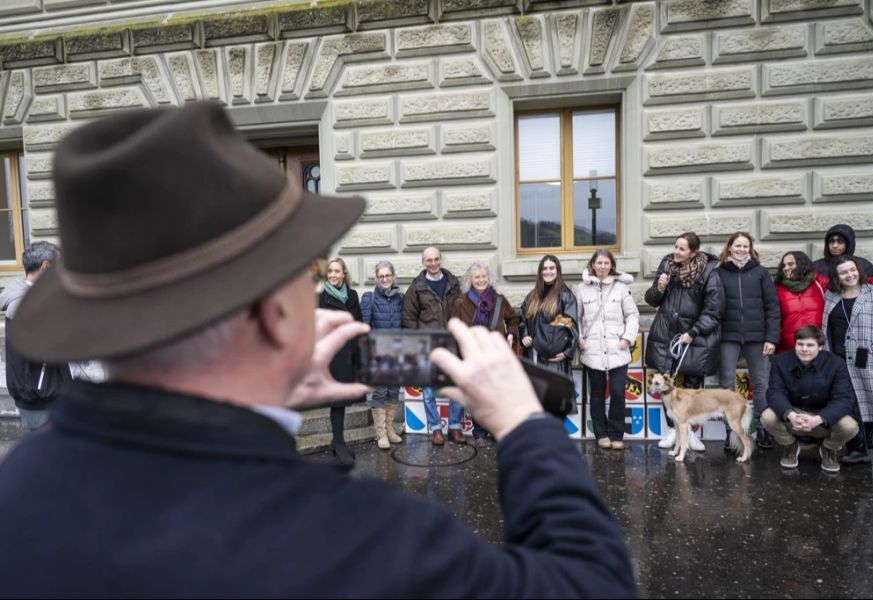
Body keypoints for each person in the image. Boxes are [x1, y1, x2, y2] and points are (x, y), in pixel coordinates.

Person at [0, 103, 637, 597]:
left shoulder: (18, 491)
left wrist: (259, 389)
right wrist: (525, 427)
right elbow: (594, 583)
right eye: (302, 280)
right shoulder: (364, 539)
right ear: (275, 315)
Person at [645, 231, 724, 452]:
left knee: (692, 385)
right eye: (675, 247)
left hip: (694, 337)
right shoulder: (667, 265)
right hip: (667, 332)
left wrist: (694, 331)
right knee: (667, 384)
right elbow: (652, 300)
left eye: (682, 249)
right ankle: (673, 429)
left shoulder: (709, 271)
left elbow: (714, 309)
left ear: (694, 252)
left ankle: (690, 433)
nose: (676, 252)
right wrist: (660, 287)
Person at [822, 255, 873, 463]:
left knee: (865, 402)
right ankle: (859, 447)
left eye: (852, 270)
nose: (849, 275)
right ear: (837, 276)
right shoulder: (831, 295)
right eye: (843, 272)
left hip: (867, 359)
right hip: (838, 359)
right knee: (850, 403)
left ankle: (861, 448)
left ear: (859, 270)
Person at [761, 325, 859, 473]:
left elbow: (844, 399)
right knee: (767, 417)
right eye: (800, 344)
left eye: (810, 345)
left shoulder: (836, 364)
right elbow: (775, 393)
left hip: (823, 418)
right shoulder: (780, 361)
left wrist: (819, 419)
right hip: (794, 417)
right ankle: (790, 446)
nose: (804, 349)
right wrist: (791, 415)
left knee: (850, 426)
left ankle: (829, 449)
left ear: (820, 347)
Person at [714, 232, 780, 449]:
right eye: (737, 245)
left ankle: (762, 430)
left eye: (745, 246)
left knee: (760, 383)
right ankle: (731, 433)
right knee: (727, 385)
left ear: (750, 249)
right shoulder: (720, 272)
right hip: (728, 336)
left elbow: (772, 307)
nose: (741, 249)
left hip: (757, 336)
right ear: (730, 248)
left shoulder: (760, 273)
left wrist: (771, 337)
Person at [0, 241, 72, 432]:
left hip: (41, 392)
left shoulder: (34, 297)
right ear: (46, 266)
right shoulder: (26, 304)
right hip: (40, 396)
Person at [450, 261, 519, 447]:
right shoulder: (460, 302)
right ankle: (479, 433)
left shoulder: (499, 299)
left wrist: (512, 334)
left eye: (483, 277)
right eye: (476, 277)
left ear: (489, 278)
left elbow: (513, 319)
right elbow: (454, 328)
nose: (481, 280)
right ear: (470, 280)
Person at [575, 249, 639, 450]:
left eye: (606, 263)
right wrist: (579, 337)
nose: (602, 266)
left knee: (618, 393)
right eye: (599, 263)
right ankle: (601, 434)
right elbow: (576, 317)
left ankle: (616, 434)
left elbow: (632, 315)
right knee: (597, 394)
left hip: (618, 350)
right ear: (592, 264)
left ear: (611, 265)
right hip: (592, 350)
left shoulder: (621, 288)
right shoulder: (581, 288)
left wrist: (628, 338)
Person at [401, 246, 464, 446]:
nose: (434, 263)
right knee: (428, 391)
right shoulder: (416, 288)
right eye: (429, 260)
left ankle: (454, 427)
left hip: (452, 345)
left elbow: (462, 311)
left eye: (436, 259)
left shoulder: (454, 284)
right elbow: (409, 319)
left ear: (441, 259)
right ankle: (436, 428)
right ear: (423, 262)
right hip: (428, 347)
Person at [318, 256, 365, 467]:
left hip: (349, 354)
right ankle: (339, 444)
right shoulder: (320, 296)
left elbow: (359, 324)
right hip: (332, 354)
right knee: (337, 401)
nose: (334, 275)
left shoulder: (353, 295)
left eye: (337, 271)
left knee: (343, 400)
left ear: (344, 274)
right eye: (330, 272)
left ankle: (336, 441)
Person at [360, 260, 404, 450]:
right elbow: (364, 328)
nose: (385, 279)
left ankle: (390, 429)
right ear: (377, 279)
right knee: (380, 391)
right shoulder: (369, 298)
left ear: (393, 277)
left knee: (394, 390)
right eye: (381, 276)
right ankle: (380, 433)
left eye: (388, 275)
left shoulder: (400, 298)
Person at [520, 255, 579, 380]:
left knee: (556, 396)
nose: (548, 272)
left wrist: (567, 352)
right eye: (544, 268)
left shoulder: (565, 296)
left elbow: (571, 325)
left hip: (556, 359)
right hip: (534, 355)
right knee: (537, 395)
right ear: (540, 272)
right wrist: (524, 334)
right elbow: (522, 318)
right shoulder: (532, 296)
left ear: (557, 271)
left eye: (551, 268)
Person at [773, 251, 830, 354]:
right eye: (784, 265)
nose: (786, 268)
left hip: (817, 347)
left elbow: (842, 286)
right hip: (787, 350)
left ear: (801, 264)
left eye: (790, 264)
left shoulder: (819, 282)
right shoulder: (777, 289)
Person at [813, 224, 873, 290]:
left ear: (848, 245)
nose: (835, 245)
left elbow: (868, 291)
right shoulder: (816, 267)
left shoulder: (864, 265)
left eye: (840, 242)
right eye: (831, 241)